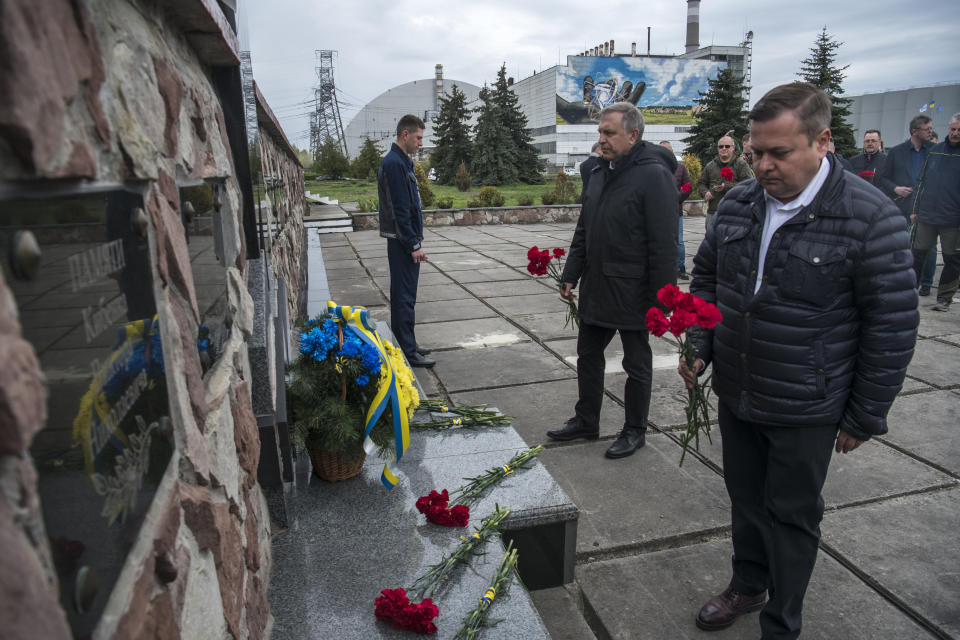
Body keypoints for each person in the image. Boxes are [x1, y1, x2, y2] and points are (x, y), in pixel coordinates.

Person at [679, 82, 918, 640]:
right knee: (745, 500)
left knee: (790, 515)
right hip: (739, 390)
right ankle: (748, 582)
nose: (762, 165)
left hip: (807, 403)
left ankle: (782, 620)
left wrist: (864, 414)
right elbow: (709, 280)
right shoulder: (738, 203)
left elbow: (892, 326)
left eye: (778, 153)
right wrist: (698, 341)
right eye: (755, 152)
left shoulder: (869, 218)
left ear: (822, 142)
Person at [547, 102, 677, 459]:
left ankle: (635, 429)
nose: (600, 140)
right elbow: (585, 227)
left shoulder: (653, 175)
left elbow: (664, 244)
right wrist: (571, 273)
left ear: (633, 135)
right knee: (588, 355)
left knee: (636, 363)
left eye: (609, 133)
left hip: (635, 292)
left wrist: (662, 301)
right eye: (600, 132)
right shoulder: (600, 171)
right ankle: (586, 420)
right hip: (598, 286)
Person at [378, 114, 435, 367]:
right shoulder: (394, 163)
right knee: (402, 297)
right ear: (405, 135)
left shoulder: (403, 162)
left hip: (405, 240)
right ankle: (407, 352)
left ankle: (408, 344)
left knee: (407, 297)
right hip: (402, 242)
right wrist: (413, 244)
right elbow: (400, 210)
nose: (420, 143)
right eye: (418, 138)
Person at [877, 114, 937, 295]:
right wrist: (896, 189)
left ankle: (925, 283)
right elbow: (884, 178)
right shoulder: (896, 152)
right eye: (927, 129)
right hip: (902, 205)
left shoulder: (935, 151)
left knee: (929, 246)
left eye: (930, 129)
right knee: (900, 242)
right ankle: (901, 279)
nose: (930, 132)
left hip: (927, 206)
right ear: (914, 131)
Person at [912, 113, 960, 312]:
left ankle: (944, 299)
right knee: (917, 255)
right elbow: (921, 182)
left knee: (952, 259)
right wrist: (915, 210)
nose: (956, 133)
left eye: (959, 130)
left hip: (953, 219)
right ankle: (909, 292)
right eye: (953, 129)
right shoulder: (935, 151)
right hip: (927, 216)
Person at [698, 133, 754, 229]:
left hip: (735, 212)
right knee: (711, 242)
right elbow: (701, 183)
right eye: (721, 146)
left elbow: (749, 185)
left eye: (727, 146)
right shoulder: (710, 166)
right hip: (714, 212)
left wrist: (726, 186)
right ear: (717, 149)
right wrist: (705, 192)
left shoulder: (741, 164)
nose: (724, 148)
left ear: (733, 148)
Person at [660, 141, 693, 280]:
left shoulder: (680, 168)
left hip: (675, 211)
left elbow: (687, 185)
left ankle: (680, 268)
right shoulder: (654, 169)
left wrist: (677, 197)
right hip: (657, 213)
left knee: (678, 241)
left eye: (668, 151)